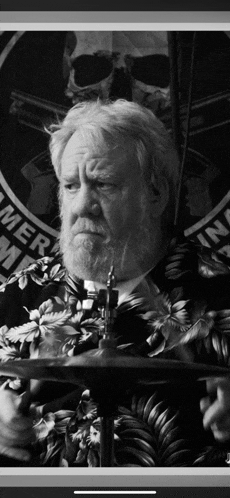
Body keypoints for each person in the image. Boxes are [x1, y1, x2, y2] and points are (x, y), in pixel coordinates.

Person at [0, 99, 230, 467]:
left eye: (103, 184)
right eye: (71, 186)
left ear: (155, 194)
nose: (81, 206)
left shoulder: (221, 294)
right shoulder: (18, 295)